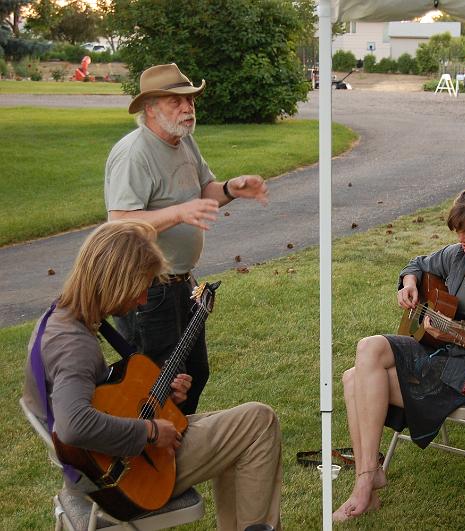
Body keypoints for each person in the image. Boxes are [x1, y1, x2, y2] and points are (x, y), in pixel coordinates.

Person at [22, 220, 282, 530]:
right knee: (259, 422)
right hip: (121, 478)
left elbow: (100, 400)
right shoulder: (73, 345)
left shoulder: (60, 319)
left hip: (95, 467)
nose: (144, 300)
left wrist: (161, 397)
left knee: (241, 427)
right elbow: (74, 425)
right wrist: (151, 432)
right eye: (143, 287)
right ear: (117, 280)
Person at [333, 184, 465, 522]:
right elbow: (417, 263)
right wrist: (410, 284)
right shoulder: (457, 256)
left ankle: (365, 483)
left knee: (354, 379)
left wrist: (461, 336)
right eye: (458, 231)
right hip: (436, 356)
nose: (463, 239)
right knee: (367, 348)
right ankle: (369, 475)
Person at [104, 63, 269, 414]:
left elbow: (203, 190)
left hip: (180, 284)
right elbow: (120, 224)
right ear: (149, 107)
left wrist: (229, 189)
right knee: (158, 386)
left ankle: (181, 450)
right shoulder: (134, 154)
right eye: (175, 100)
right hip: (145, 291)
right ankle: (152, 459)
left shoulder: (184, 142)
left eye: (190, 100)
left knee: (194, 373)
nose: (187, 107)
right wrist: (179, 213)